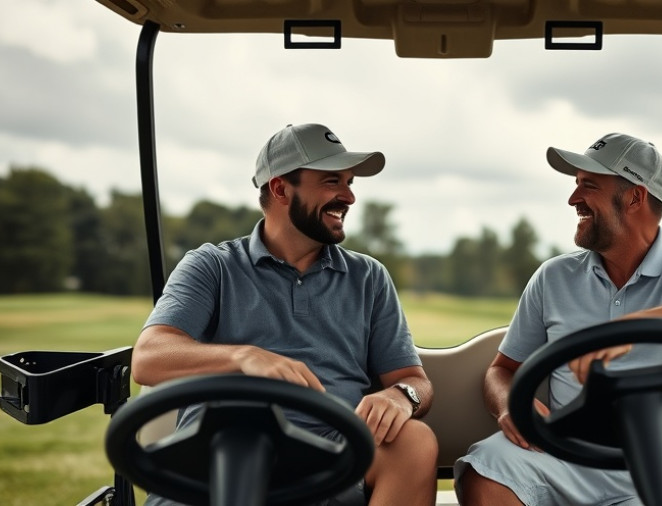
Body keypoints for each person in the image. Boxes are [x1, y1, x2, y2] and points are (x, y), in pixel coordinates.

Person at [454, 132, 662, 506]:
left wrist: (628, 329)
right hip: (564, 458)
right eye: (576, 186)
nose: (573, 199)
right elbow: (502, 369)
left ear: (635, 196)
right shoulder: (554, 277)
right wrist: (508, 405)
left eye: (588, 186)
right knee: (486, 469)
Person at [131, 123, 438, 506]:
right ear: (280, 189)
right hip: (223, 455)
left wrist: (400, 397)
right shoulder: (211, 266)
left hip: (329, 459)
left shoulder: (369, 277)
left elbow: (414, 380)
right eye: (332, 182)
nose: (349, 196)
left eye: (349, 182)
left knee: (416, 440)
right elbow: (147, 357)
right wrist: (245, 357)